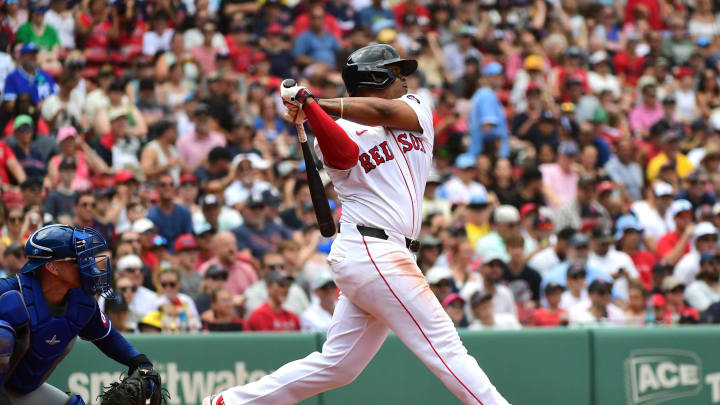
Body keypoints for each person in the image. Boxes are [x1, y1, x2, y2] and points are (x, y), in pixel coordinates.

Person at [203, 44, 509, 405]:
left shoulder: (414, 106)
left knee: (339, 366)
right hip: (371, 248)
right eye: (395, 72)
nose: (404, 78)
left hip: (387, 253)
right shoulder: (331, 128)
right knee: (445, 343)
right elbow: (344, 154)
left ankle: (228, 403)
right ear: (374, 77)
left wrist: (314, 102)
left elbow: (380, 110)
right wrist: (313, 111)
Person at [0, 225, 160, 404]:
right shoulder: (10, 291)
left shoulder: (81, 302)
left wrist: (140, 362)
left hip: (22, 390)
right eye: (79, 258)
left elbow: (108, 338)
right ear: (52, 267)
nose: (88, 263)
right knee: (2, 334)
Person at [147, 173, 193, 250]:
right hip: (161, 255)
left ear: (175, 189)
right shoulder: (151, 216)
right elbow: (154, 241)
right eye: (163, 185)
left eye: (171, 185)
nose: (168, 188)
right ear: (157, 188)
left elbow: (188, 237)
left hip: (183, 252)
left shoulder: (185, 212)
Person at [157, 268, 201, 333]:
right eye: (164, 284)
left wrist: (177, 312)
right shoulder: (156, 301)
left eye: (172, 284)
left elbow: (197, 323)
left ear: (179, 284)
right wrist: (182, 312)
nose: (167, 288)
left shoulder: (187, 300)